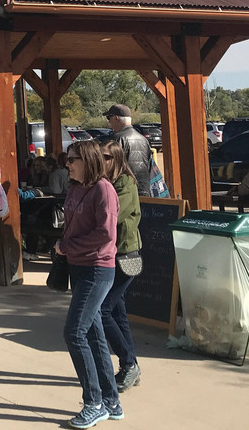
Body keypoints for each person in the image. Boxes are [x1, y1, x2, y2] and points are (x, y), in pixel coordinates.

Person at [56, 140, 122, 428]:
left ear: (88, 160)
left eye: (72, 160)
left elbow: (105, 234)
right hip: (78, 267)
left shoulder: (103, 190)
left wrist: (68, 246)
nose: (67, 165)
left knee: (74, 332)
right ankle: (111, 399)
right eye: (67, 160)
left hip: (97, 269)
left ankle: (93, 401)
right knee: (93, 335)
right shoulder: (75, 187)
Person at [99, 140, 143, 395]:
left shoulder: (125, 184)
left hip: (127, 254)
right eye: (99, 156)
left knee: (103, 310)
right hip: (111, 255)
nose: (101, 160)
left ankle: (128, 363)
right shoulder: (104, 184)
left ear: (115, 159)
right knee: (117, 312)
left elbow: (112, 215)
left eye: (105, 156)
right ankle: (131, 365)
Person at [105, 105, 152, 196]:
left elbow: (110, 167)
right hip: (144, 189)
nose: (109, 121)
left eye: (109, 117)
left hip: (125, 190)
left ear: (117, 118)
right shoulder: (143, 139)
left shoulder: (117, 139)